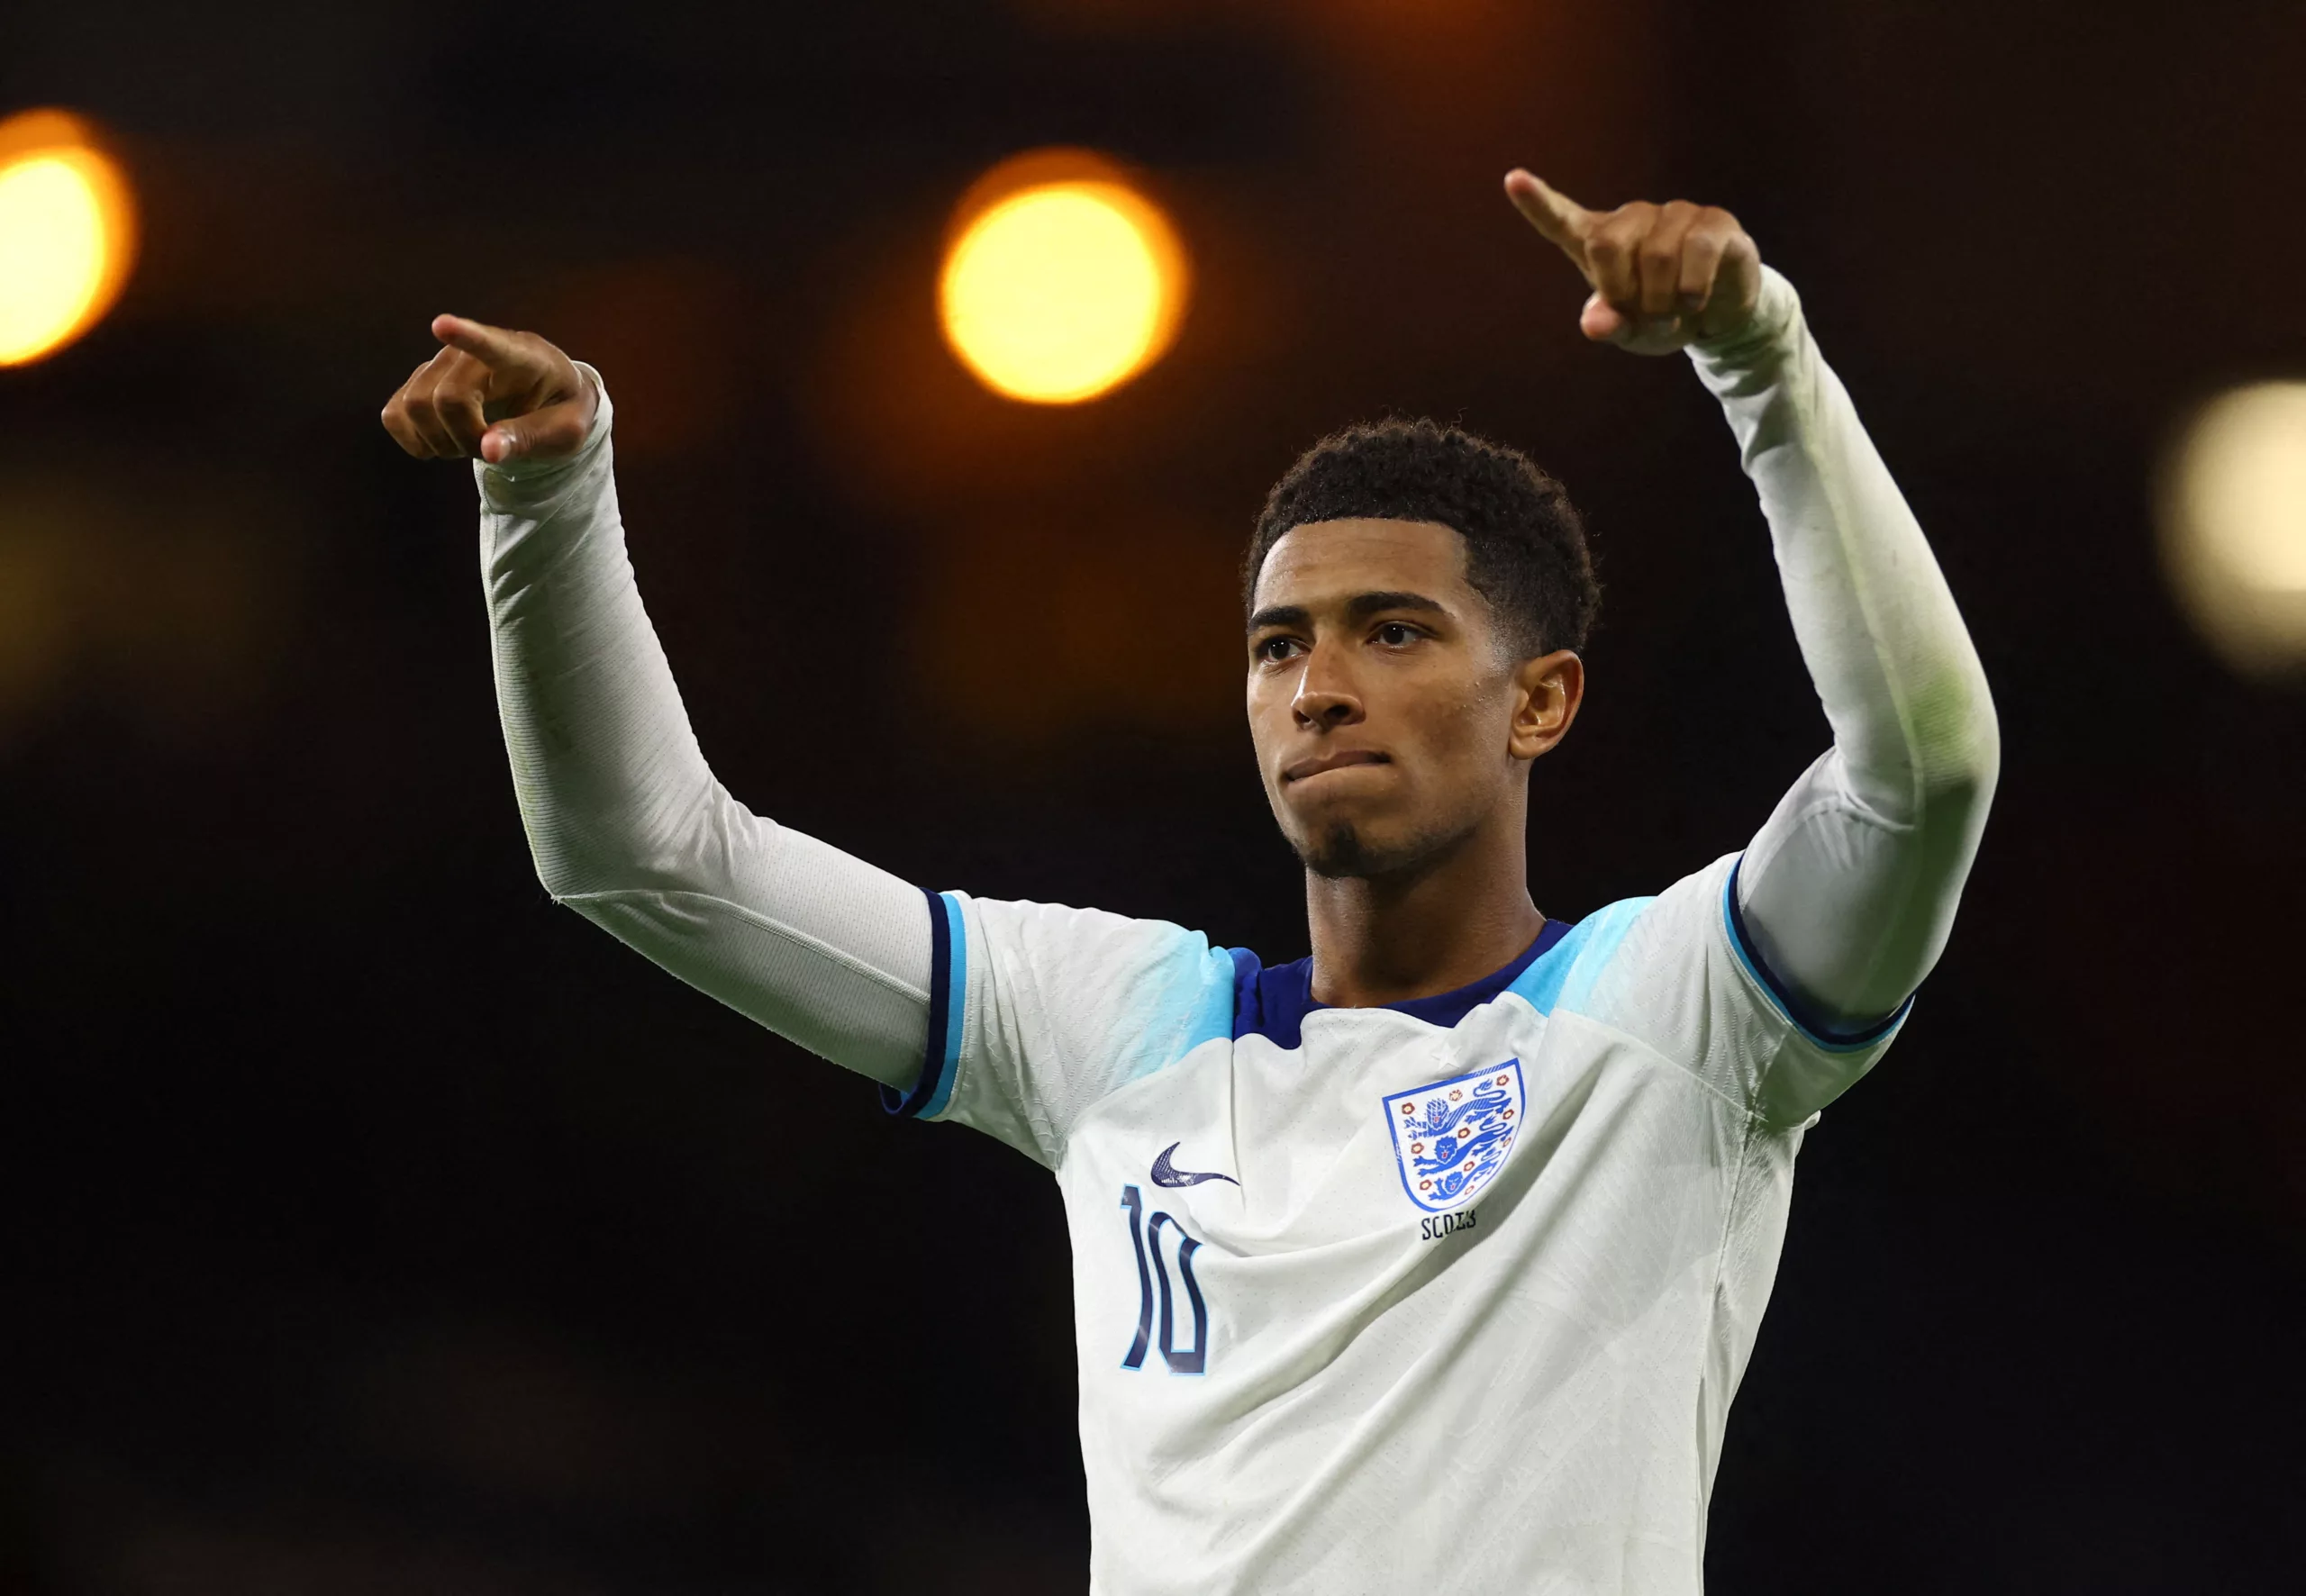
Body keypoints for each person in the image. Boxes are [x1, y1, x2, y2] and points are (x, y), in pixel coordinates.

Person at [380, 170, 1999, 1594]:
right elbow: (644, 858)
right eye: (1279, 645)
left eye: (1396, 632)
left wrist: (1758, 356)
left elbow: (1921, 769)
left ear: (1543, 700)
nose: (1318, 687)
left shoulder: (1677, 1017)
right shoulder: (1117, 1028)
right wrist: (547, 489)